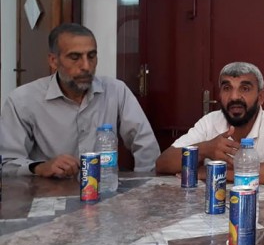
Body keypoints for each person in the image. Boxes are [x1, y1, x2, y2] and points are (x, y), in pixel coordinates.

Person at [0, 23, 160, 178]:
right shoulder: (22, 100)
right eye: (75, 57)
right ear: (53, 61)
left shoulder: (116, 91)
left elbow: (146, 146)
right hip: (48, 191)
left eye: (91, 56)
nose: (86, 66)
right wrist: (40, 167)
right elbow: (7, 163)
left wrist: (145, 185)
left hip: (104, 189)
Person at [155, 62, 264, 183]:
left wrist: (215, 173)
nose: (234, 97)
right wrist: (205, 149)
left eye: (245, 88)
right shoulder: (210, 121)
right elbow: (163, 163)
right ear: (220, 95)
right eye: (227, 88)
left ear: (261, 97)